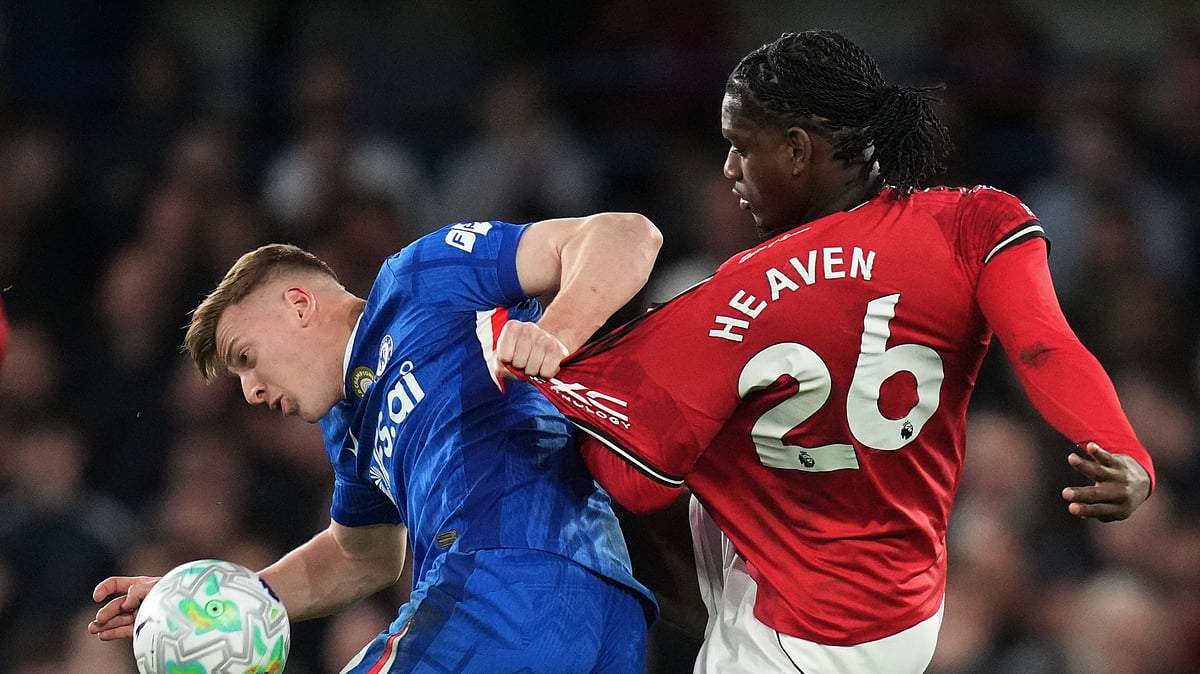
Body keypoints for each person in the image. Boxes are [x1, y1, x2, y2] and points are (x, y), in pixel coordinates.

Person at [506, 30, 1155, 673]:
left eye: (738, 147)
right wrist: (1125, 453)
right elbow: (1045, 345)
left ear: (795, 150)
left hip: (789, 642)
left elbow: (633, 484)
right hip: (909, 604)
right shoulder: (976, 221)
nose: (729, 169)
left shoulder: (733, 295)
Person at [89, 211, 663, 672]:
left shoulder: (418, 280)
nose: (251, 392)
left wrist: (555, 333)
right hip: (602, 608)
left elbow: (625, 233)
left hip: (505, 584)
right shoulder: (347, 428)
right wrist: (215, 600)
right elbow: (359, 558)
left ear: (298, 304)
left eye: (247, 359)